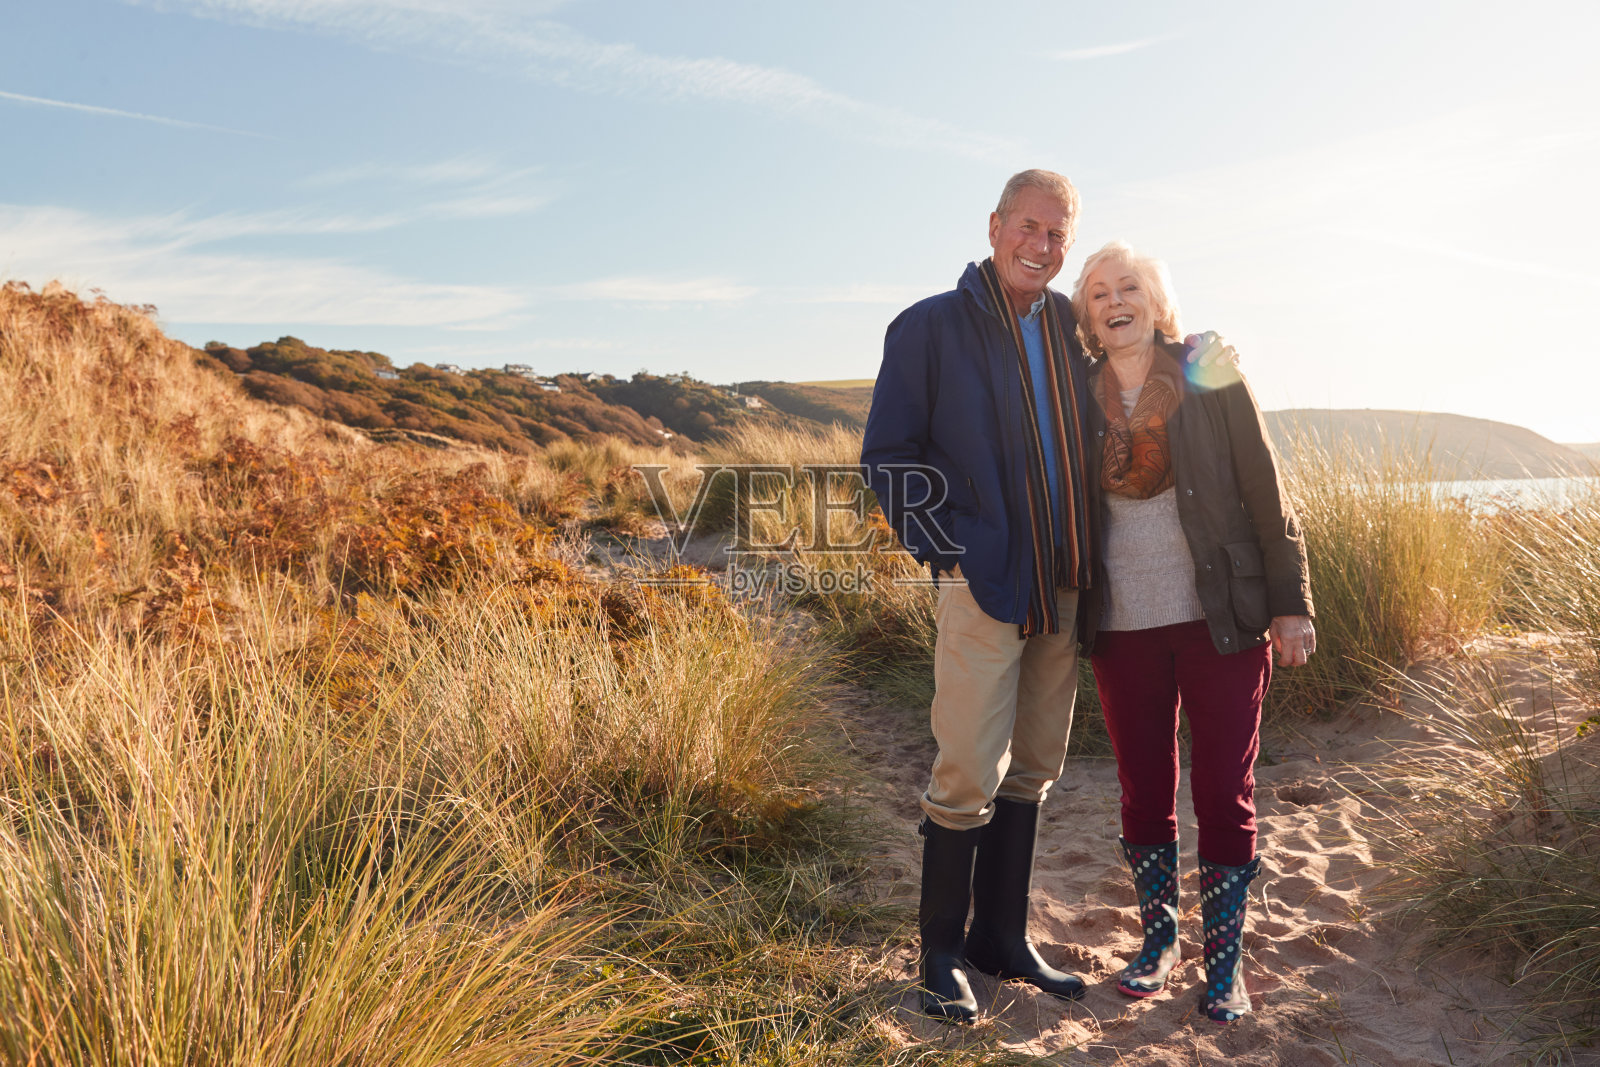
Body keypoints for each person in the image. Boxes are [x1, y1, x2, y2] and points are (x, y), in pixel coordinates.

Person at [860, 171, 1233, 1023]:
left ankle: (1000, 937)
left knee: (1032, 768)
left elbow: (1144, 361)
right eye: (1029, 226)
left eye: (1058, 234)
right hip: (986, 585)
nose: (1043, 245)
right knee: (966, 771)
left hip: (1066, 584)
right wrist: (950, 551)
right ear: (995, 226)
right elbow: (887, 455)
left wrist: (1208, 351)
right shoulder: (931, 327)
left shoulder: (1071, 332)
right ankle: (943, 954)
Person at [1069, 240, 1315, 1025]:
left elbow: (1262, 484)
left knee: (1222, 790)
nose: (1116, 299)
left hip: (1224, 619)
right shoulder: (1074, 390)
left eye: (1130, 285)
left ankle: (1225, 960)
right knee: (1144, 788)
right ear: (1087, 314)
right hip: (1121, 622)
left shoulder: (1208, 369)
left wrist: (1292, 600)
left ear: (1156, 299)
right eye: (1099, 290)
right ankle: (1158, 941)